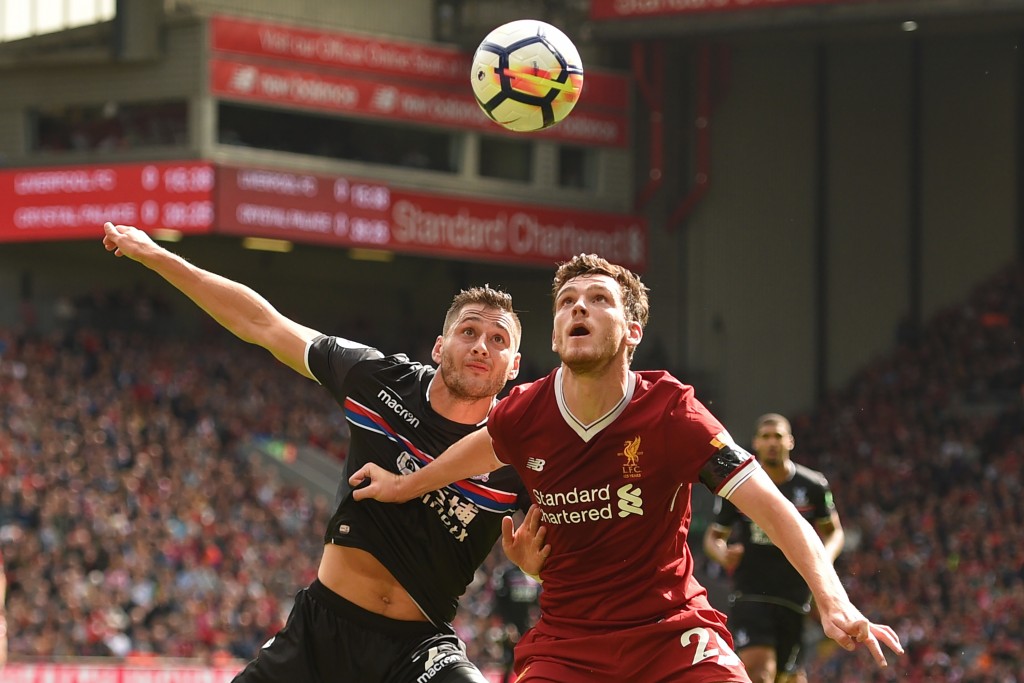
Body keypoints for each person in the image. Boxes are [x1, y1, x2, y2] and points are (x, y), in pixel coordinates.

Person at [350, 253, 904, 682]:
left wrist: (835, 602)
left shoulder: (674, 414)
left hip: (671, 635)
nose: (579, 308)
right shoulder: (525, 413)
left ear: (632, 331)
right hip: (568, 645)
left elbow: (776, 511)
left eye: (598, 299)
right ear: (554, 332)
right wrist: (404, 486)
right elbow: (480, 448)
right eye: (566, 302)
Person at [101, 221, 550, 683]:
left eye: (498, 341)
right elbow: (262, 324)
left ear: (514, 365)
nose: (481, 346)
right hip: (321, 633)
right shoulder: (376, 380)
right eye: (469, 331)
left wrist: (535, 569)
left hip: (418, 650)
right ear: (439, 346)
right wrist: (156, 256)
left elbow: (578, 545)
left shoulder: (516, 449)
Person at [703, 413, 844, 683]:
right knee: (759, 672)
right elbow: (713, 537)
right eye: (765, 437)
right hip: (750, 592)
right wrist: (722, 554)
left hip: (794, 595)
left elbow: (834, 531)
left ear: (790, 441)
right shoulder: (739, 486)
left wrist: (823, 559)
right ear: (755, 443)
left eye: (778, 436)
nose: (772, 442)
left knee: (787, 676)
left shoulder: (813, 485)